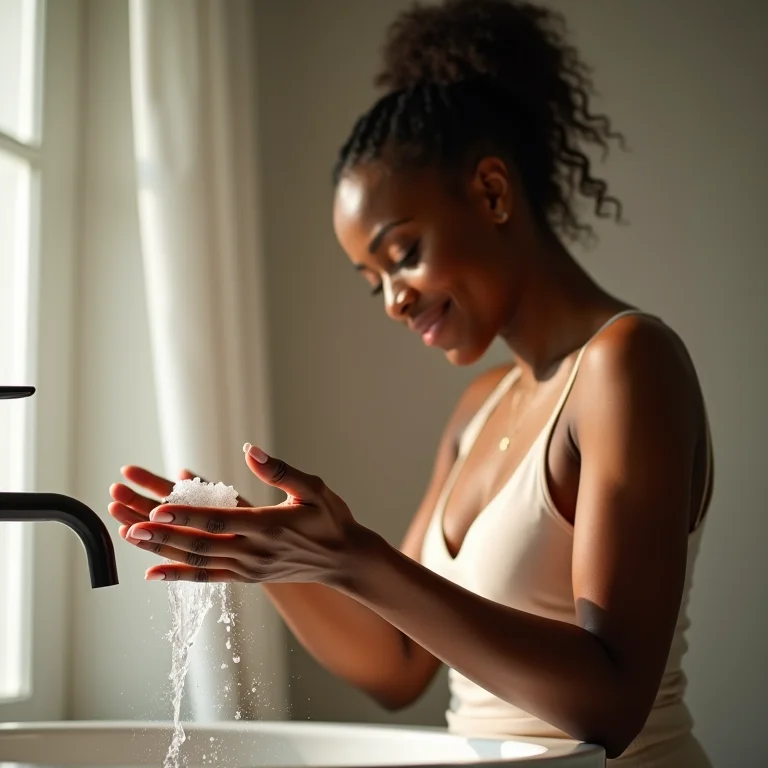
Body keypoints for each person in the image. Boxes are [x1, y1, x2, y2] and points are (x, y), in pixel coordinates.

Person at [108, 1, 713, 764]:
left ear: (493, 194)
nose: (393, 300)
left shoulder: (628, 363)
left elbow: (612, 705)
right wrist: (266, 553)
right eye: (372, 281)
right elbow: (395, 665)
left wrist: (357, 558)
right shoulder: (477, 407)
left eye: (403, 253)